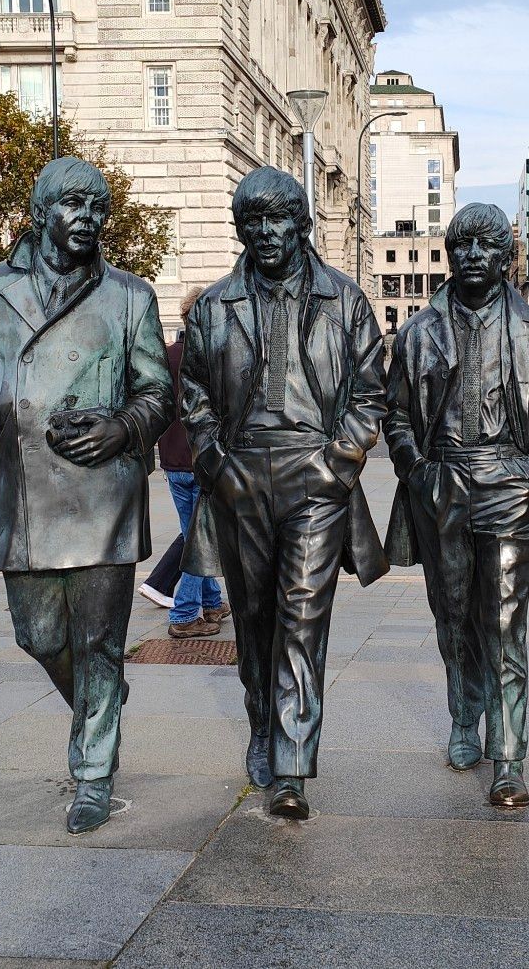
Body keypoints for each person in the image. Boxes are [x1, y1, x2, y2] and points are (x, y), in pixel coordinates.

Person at [0, 157, 171, 835]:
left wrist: (122, 424)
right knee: (36, 634)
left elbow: (159, 391)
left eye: (99, 208)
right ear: (41, 213)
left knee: (99, 641)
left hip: (103, 491)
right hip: (24, 490)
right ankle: (102, 702)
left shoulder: (130, 297)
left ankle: (93, 773)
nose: (89, 220)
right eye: (75, 205)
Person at [180, 166, 389, 820]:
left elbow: (369, 393)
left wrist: (338, 464)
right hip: (242, 481)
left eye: (278, 219)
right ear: (240, 228)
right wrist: (217, 464)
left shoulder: (345, 301)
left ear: (301, 223)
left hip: (314, 482)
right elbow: (195, 399)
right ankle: (264, 729)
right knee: (257, 623)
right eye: (253, 221)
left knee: (302, 621)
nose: (266, 232)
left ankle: (292, 765)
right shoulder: (215, 307)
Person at [383, 203, 529, 809]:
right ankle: (465, 718)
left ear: (504, 257)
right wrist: (418, 470)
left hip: (509, 485)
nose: (471, 255)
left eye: (485, 246)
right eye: (460, 244)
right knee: (454, 614)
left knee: (504, 624)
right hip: (443, 482)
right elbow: (396, 417)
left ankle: (509, 754)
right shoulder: (418, 332)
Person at [139, 286, 230, 638]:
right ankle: (185, 614)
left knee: (196, 534)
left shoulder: (165, 357)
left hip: (173, 464)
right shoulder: (213, 358)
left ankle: (211, 601)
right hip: (204, 463)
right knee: (200, 541)